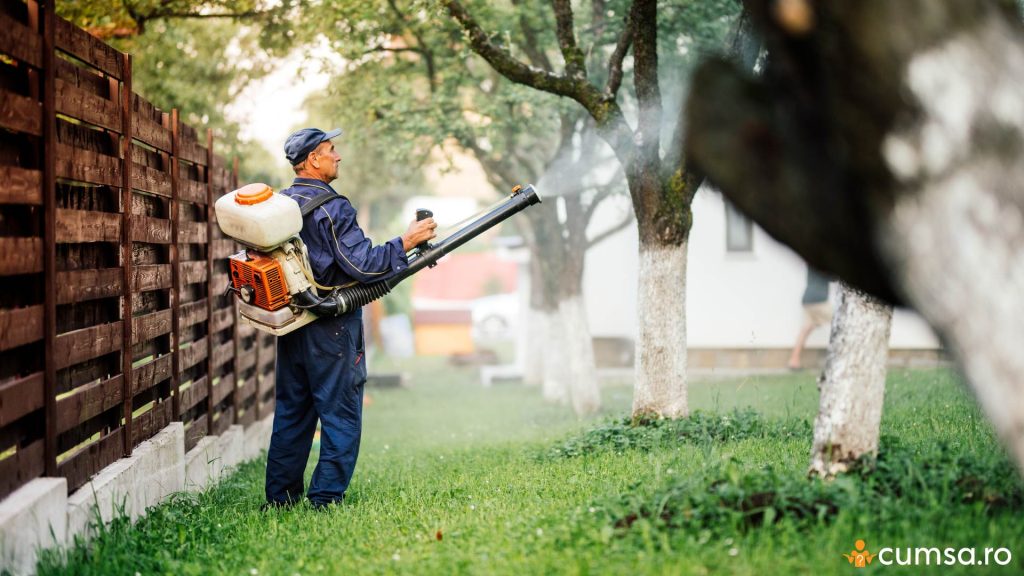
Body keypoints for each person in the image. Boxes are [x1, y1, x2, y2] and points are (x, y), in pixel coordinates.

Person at [264, 127, 436, 509]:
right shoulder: (332, 206)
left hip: (294, 323)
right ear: (312, 160)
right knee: (340, 412)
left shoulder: (282, 205)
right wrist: (406, 241)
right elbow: (365, 266)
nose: (338, 156)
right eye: (331, 150)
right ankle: (325, 498)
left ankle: (279, 499)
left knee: (293, 411)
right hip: (332, 327)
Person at [787, 266, 833, 370]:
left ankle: (793, 361)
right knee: (840, 322)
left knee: (806, 329)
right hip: (819, 300)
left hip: (807, 299)